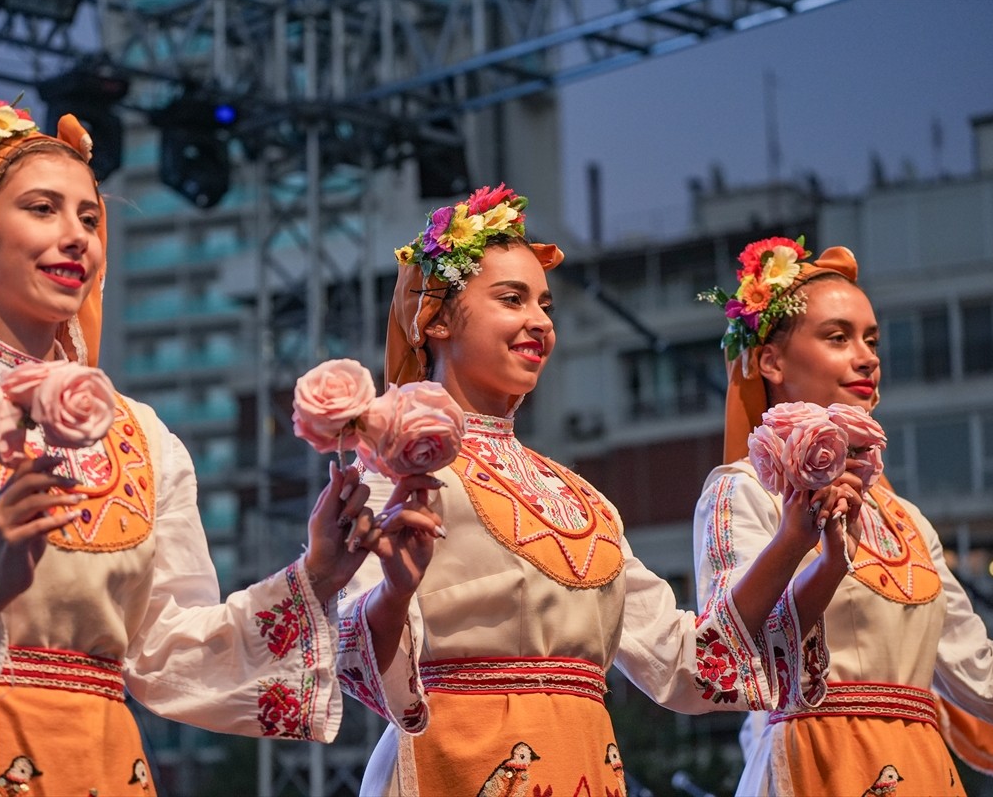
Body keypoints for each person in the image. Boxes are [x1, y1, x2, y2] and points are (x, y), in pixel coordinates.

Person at [0, 96, 422, 796]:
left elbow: (166, 649)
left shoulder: (142, 434)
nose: (76, 237)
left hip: (106, 763)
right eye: (42, 209)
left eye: (90, 219)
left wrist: (318, 574)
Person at [334, 186, 862, 796]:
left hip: (586, 765)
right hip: (456, 769)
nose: (539, 321)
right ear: (437, 317)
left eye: (546, 305)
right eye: (512, 299)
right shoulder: (395, 474)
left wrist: (794, 542)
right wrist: (397, 588)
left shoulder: (585, 503)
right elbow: (353, 650)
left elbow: (689, 665)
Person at [693, 238, 993, 795]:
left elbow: (979, 675)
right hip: (816, 764)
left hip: (921, 770)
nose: (868, 356)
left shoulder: (907, 519)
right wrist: (813, 554)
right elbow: (732, 648)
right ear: (770, 360)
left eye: (872, 339)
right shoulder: (744, 491)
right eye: (838, 338)